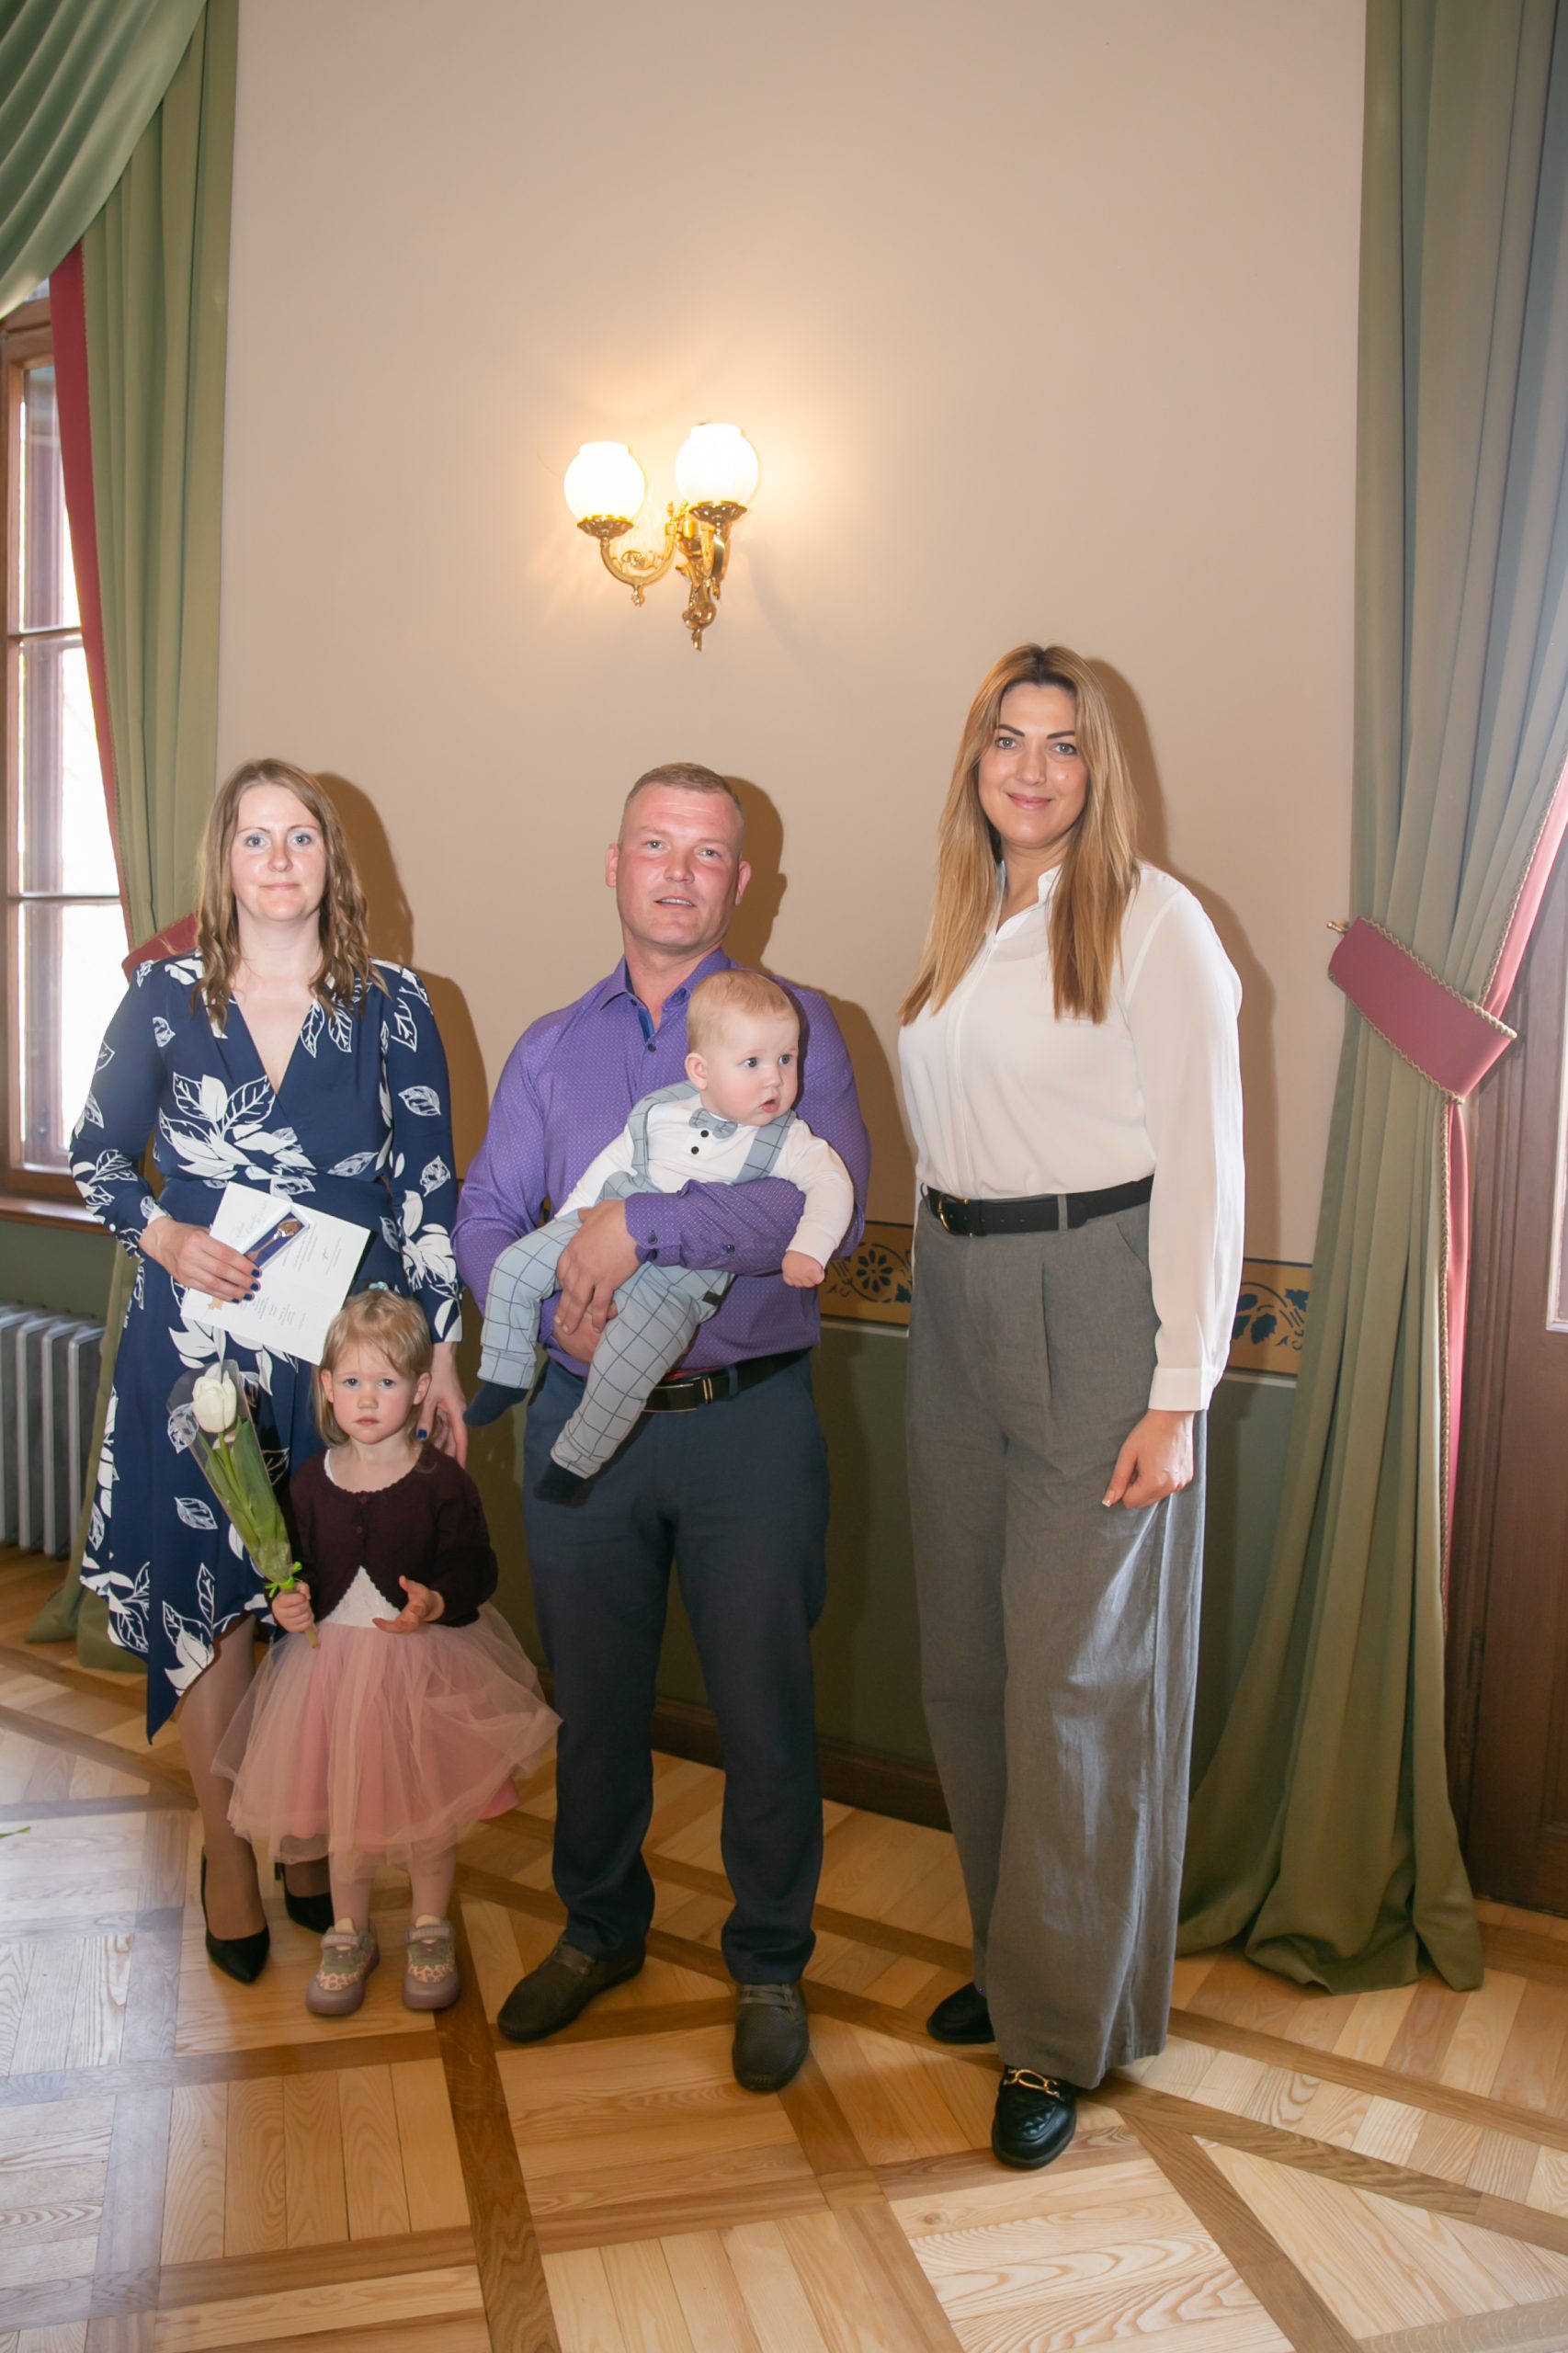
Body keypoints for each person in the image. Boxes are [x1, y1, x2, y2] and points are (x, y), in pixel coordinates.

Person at [454, 761, 869, 2093]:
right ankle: (597, 1930)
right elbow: (486, 1213)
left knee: (764, 1707)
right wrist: (550, 1305)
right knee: (594, 1703)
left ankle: (769, 1962)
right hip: (580, 1417)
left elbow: (811, 1208)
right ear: (614, 863)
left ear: (742, 880)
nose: (677, 872)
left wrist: (635, 1226)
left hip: (748, 1427)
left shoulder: (796, 1027)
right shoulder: (548, 1047)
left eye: (705, 852)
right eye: (654, 844)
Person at [898, 645, 1243, 2170]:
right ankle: (1012, 1956)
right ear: (972, 762)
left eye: (1061, 745)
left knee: (1073, 1685)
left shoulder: (1156, 923)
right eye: (1005, 740)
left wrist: (1178, 1390)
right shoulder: (962, 921)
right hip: (955, 1299)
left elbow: (1205, 1162)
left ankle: (1056, 2029)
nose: (1030, 771)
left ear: (1100, 768)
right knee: (969, 1669)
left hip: (1096, 1301)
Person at [71, 759, 466, 1984]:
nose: (280, 859)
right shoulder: (161, 999)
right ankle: (231, 1853)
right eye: (256, 838)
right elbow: (95, 1151)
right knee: (216, 1598)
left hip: (350, 1355)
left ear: (330, 859)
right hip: (197, 1345)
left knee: (324, 1593)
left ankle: (303, 1837)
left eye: (301, 837)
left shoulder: (397, 1003)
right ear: (224, 861)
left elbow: (428, 1187)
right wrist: (164, 1236)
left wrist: (441, 1351)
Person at [217, 1290, 557, 2015]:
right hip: (329, 1677)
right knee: (348, 1817)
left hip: (421, 1671)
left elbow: (476, 1567)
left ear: (421, 1388)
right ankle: (349, 1931)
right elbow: (297, 1572)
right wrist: (288, 1601)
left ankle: (430, 1925)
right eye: (351, 1381)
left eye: (386, 1382)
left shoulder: (441, 1482)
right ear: (326, 1387)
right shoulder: (310, 1483)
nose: (367, 1399)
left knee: (428, 1812)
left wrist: (437, 1599)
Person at [465, 967, 856, 1501]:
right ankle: (503, 1372)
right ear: (700, 1070)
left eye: (787, 1060)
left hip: (687, 1303)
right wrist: (567, 1255)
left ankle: (576, 1460)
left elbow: (834, 1189)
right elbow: (602, 1169)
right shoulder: (657, 1108)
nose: (774, 1079)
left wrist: (807, 1248)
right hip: (588, 1243)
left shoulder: (790, 1139)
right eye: (753, 1063)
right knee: (514, 1267)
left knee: (627, 1366)